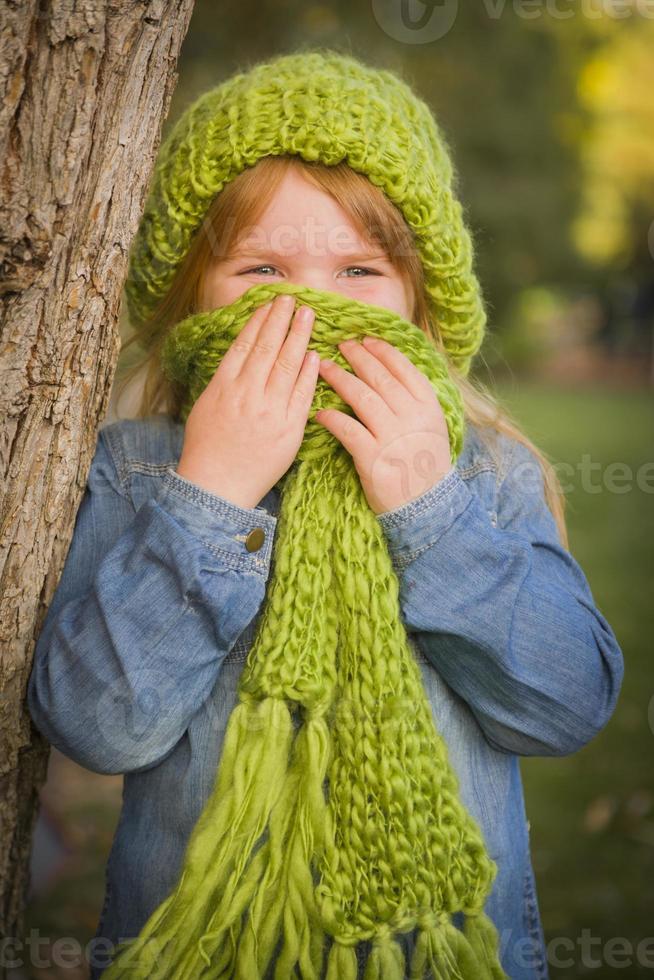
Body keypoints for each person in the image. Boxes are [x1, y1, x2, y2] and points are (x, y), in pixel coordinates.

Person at [27, 49, 624, 980]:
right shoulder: (141, 472)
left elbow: (567, 705)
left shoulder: (478, 472)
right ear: (192, 293)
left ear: (420, 300)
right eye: (262, 268)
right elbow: (99, 727)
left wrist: (430, 510)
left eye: (358, 269)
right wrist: (211, 496)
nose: (309, 303)